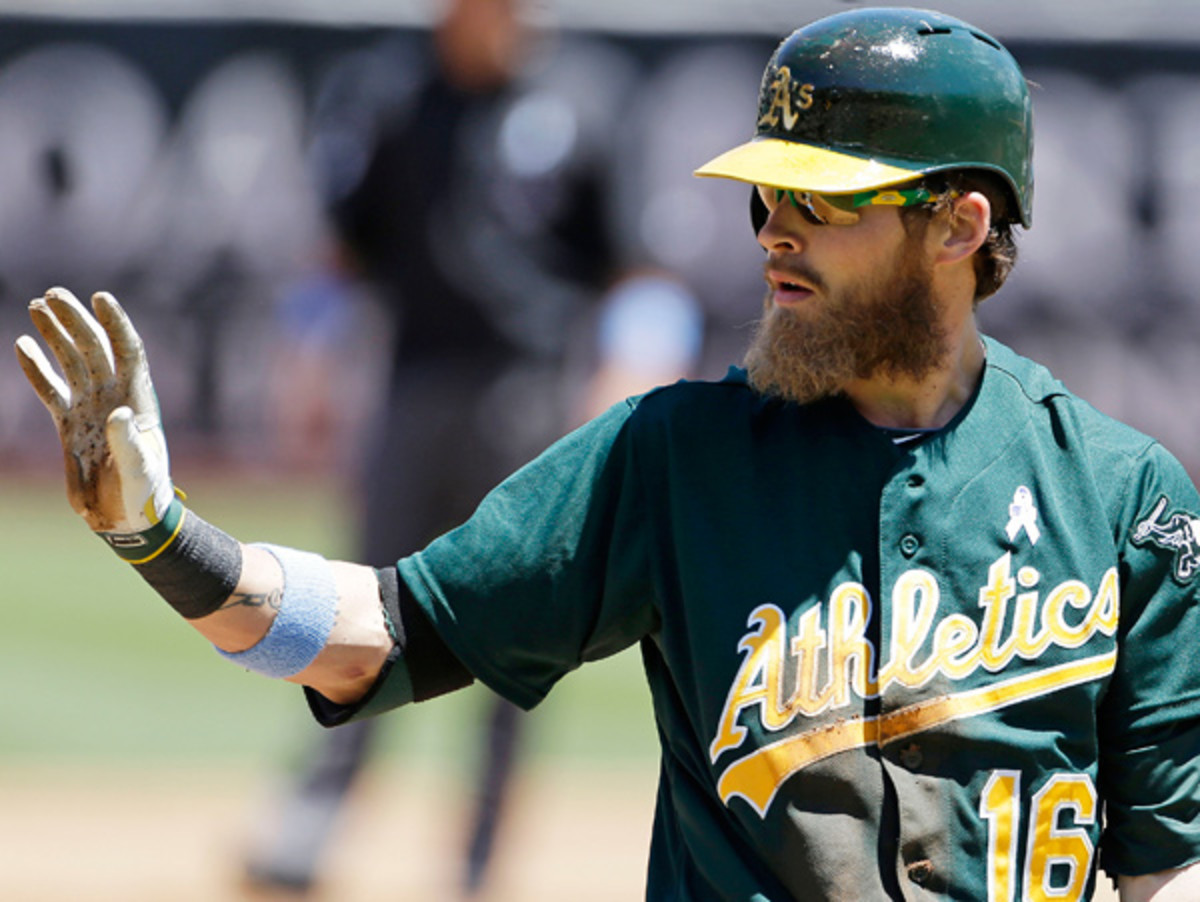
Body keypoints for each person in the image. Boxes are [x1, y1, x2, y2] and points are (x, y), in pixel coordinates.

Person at [16, 7, 1200, 899]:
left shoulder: (1122, 495)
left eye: (823, 199)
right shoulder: (673, 456)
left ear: (959, 223)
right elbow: (379, 632)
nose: (774, 228)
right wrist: (161, 535)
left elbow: (1167, 862)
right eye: (765, 194)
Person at [245, 0, 649, 894]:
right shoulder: (393, 95)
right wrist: (306, 356)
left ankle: (477, 862)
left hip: (532, 393)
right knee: (364, 605)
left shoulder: (584, 99)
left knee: (519, 632)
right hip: (416, 383)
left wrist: (627, 363)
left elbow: (633, 267)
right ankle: (315, 821)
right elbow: (345, 248)